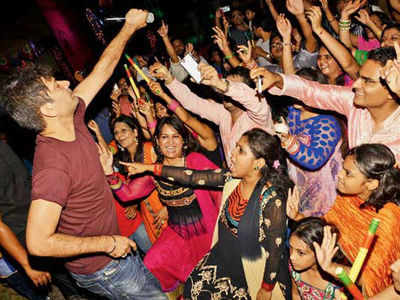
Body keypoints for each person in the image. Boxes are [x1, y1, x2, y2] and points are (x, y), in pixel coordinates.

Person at [0, 8, 166, 300]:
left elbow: (102, 70)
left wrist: (128, 28)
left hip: (114, 252)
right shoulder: (51, 168)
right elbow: (38, 242)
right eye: (56, 85)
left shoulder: (72, 116)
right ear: (47, 110)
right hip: (104, 268)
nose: (66, 83)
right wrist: (107, 243)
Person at [121, 128, 293, 300]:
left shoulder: (271, 200)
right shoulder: (231, 180)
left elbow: (275, 250)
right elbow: (191, 176)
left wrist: (266, 288)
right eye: (236, 147)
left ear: (258, 163)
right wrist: (150, 168)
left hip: (252, 268)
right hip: (223, 255)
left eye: (240, 151)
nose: (232, 154)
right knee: (191, 289)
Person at [101, 115, 221, 292]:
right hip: (178, 234)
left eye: (175, 136)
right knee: (152, 263)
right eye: (165, 137)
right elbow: (128, 195)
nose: (170, 142)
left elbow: (220, 193)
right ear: (157, 141)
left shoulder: (195, 160)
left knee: (212, 280)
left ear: (184, 141)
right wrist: (109, 173)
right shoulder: (152, 171)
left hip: (206, 231)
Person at [250, 45, 400, 161]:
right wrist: (278, 79)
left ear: (391, 91)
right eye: (359, 77)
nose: (355, 85)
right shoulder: (353, 103)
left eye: (368, 81)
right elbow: (312, 91)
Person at [287, 143, 400, 297]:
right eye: (342, 169)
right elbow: (329, 230)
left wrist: (331, 267)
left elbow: (369, 279)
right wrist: (298, 217)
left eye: (348, 173)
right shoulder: (348, 199)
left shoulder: (389, 219)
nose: (339, 174)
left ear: (371, 184)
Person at [149, 61, 274, 167]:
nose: (225, 92)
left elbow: (252, 98)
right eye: (224, 85)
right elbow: (192, 102)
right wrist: (169, 79)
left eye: (231, 87)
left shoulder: (259, 113)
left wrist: (221, 84)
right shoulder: (223, 113)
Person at [289, 218, 342, 299]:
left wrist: (330, 266)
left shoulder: (336, 282)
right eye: (290, 247)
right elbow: (295, 294)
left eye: (301, 253)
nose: (291, 256)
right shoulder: (295, 270)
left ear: (320, 251)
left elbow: (360, 281)